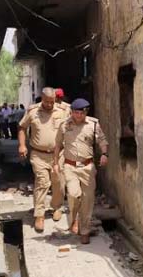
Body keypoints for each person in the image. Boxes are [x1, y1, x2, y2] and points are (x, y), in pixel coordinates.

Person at [53, 98, 107, 244]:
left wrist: (104, 154)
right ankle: (74, 217)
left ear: (85, 112)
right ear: (71, 112)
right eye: (75, 112)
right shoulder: (64, 125)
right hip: (70, 166)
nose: (77, 115)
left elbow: (102, 140)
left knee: (88, 200)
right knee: (73, 194)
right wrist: (56, 163)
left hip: (88, 167)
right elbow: (57, 145)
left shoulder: (93, 124)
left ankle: (85, 230)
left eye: (80, 113)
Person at [18, 88, 69, 232]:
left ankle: (56, 207)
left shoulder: (63, 110)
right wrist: (22, 145)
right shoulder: (33, 111)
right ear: (42, 98)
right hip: (39, 154)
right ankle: (39, 214)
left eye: (52, 101)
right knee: (42, 182)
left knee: (58, 182)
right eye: (46, 101)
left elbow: (73, 125)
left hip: (58, 155)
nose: (49, 104)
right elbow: (21, 127)